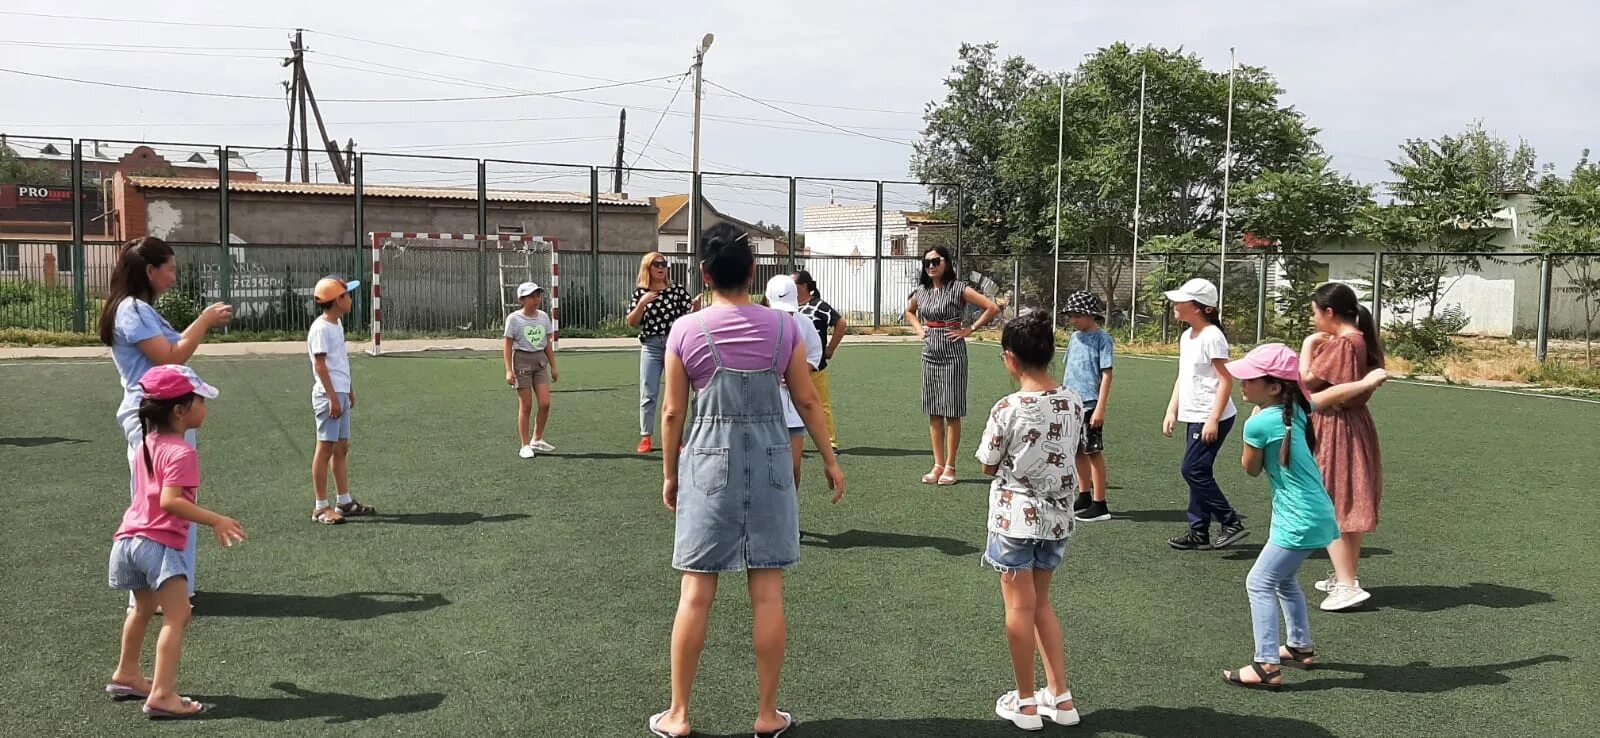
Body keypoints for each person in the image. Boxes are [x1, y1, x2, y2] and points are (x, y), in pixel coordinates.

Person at [649, 223, 845, 738]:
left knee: (695, 593)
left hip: (709, 463)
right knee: (768, 593)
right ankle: (766, 714)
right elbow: (806, 400)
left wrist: (671, 472)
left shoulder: (686, 331)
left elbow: (672, 412)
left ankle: (679, 714)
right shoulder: (785, 329)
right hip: (772, 462)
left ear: (704, 273)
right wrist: (829, 459)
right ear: (754, 272)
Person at [1219, 344, 1390, 689]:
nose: (1242, 384)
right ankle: (1299, 646)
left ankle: (1266, 665)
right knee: (1282, 580)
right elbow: (1334, 394)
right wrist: (1369, 380)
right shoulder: (1294, 409)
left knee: (1259, 582)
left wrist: (1248, 432)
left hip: (1299, 517)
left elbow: (1250, 470)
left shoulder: (1263, 422)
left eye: (1250, 379)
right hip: (1314, 512)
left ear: (1274, 387)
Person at [106, 364, 245, 718]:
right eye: (200, 401)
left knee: (141, 609)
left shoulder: (147, 444)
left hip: (127, 540)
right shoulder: (183, 452)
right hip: (157, 544)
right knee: (178, 615)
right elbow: (170, 501)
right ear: (180, 410)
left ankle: (127, 673)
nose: (205, 408)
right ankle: (162, 694)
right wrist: (216, 520)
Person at [98, 236, 232, 602]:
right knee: (161, 505)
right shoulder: (132, 310)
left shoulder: (138, 308)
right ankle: (156, 592)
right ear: (149, 270)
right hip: (154, 418)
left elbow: (173, 350)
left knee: (164, 500)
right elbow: (171, 357)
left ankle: (167, 587)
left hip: (162, 416)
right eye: (169, 268)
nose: (173, 276)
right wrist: (204, 321)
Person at [976, 310, 1085, 730]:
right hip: (1057, 517)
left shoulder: (1007, 407)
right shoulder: (1073, 399)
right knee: (1042, 604)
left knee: (1018, 607)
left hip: (1015, 518)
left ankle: (1024, 701)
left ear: (1010, 358)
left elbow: (988, 463)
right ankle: (1060, 696)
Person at [1300, 282, 1387, 612]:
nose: (1314, 321)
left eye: (1315, 313)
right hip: (1351, 426)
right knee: (1350, 499)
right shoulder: (1356, 341)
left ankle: (1348, 584)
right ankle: (1346, 574)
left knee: (1333, 501)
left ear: (1329, 312)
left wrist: (1309, 344)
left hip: (1337, 428)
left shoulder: (1344, 345)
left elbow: (1305, 382)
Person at [1161, 278, 1248, 550]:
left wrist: (1212, 419)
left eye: (1181, 301)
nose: (1174, 304)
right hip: (1195, 414)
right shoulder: (1187, 336)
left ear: (1200, 308)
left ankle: (1230, 521)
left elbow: (1226, 380)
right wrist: (1172, 409)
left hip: (1212, 416)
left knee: (1192, 469)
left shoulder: (1212, 336)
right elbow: (1183, 376)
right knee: (1199, 470)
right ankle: (1199, 532)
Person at [905, 246, 1001, 486]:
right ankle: (937, 464)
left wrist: (970, 329)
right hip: (929, 354)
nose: (931, 266)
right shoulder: (922, 290)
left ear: (946, 262)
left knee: (952, 411)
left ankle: (950, 466)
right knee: (934, 411)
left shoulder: (959, 288)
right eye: (927, 262)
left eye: (936, 261)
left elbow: (991, 307)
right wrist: (919, 330)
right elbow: (909, 311)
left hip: (953, 353)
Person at [307, 275, 376, 525]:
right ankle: (320, 506)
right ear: (337, 300)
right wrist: (333, 397)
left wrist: (349, 390)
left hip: (340, 394)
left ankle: (344, 501)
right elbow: (321, 365)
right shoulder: (321, 328)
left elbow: (339, 363)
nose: (350, 299)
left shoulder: (336, 325)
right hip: (329, 397)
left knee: (341, 448)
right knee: (324, 449)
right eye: (347, 295)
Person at [628, 252, 695, 454]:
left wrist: (696, 308)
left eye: (664, 264)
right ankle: (646, 437)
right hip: (651, 345)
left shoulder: (677, 291)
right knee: (648, 392)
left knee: (677, 393)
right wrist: (642, 304)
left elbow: (688, 317)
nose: (661, 267)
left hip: (675, 346)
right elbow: (632, 322)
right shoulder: (641, 293)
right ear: (647, 267)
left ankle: (679, 438)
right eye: (656, 264)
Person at [1060, 291, 1115, 522]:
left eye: (1077, 315)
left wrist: (1100, 407)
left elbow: (1106, 374)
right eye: (1071, 315)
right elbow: (1069, 370)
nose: (1073, 320)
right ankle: (1083, 494)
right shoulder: (1074, 338)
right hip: (1072, 403)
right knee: (1076, 451)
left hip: (1091, 403)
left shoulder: (1102, 339)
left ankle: (1100, 503)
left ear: (1091, 315)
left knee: (1093, 451)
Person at [766, 274, 825, 486]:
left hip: (793, 407)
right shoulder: (758, 324)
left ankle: (789, 512)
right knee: (763, 467)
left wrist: (797, 372)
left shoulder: (804, 324)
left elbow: (815, 354)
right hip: (763, 407)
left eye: (790, 310)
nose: (786, 315)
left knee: (793, 467)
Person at [503, 281, 559, 459]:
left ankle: (537, 438)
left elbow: (547, 343)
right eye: (532, 296)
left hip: (540, 363)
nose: (537, 299)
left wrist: (554, 366)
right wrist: (509, 370)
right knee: (526, 405)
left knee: (545, 403)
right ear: (522, 299)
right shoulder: (514, 319)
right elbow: (507, 345)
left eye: (538, 295)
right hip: (522, 363)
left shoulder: (543, 317)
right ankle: (525, 444)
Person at [794, 270, 845, 450]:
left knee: (820, 403)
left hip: (815, 365)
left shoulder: (819, 306)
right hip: (792, 365)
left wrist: (830, 349)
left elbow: (840, 323)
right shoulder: (788, 306)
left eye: (794, 284)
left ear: (804, 286)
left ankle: (829, 441)